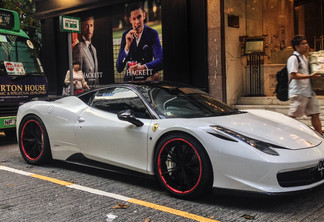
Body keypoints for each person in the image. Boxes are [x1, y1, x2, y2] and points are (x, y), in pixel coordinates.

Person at [116, 2, 163, 81]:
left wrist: (143, 67)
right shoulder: (125, 35)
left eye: (139, 17)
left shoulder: (152, 34)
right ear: (130, 20)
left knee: (156, 76)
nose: (137, 22)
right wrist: (127, 47)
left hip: (147, 76)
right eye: (134, 19)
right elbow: (119, 68)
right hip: (131, 79)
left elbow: (161, 60)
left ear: (144, 16)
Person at [287, 35, 322, 135]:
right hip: (299, 93)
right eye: (303, 44)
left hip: (309, 92)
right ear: (296, 46)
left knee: (315, 113)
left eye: (306, 43)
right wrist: (310, 76)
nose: (306, 45)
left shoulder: (304, 58)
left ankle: (320, 136)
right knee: (292, 116)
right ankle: (285, 134)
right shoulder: (293, 58)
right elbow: (293, 75)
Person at [73, 16, 99, 87]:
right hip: (85, 92)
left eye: (91, 25)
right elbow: (77, 75)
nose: (89, 29)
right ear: (82, 27)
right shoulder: (79, 48)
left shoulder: (94, 49)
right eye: (86, 25)